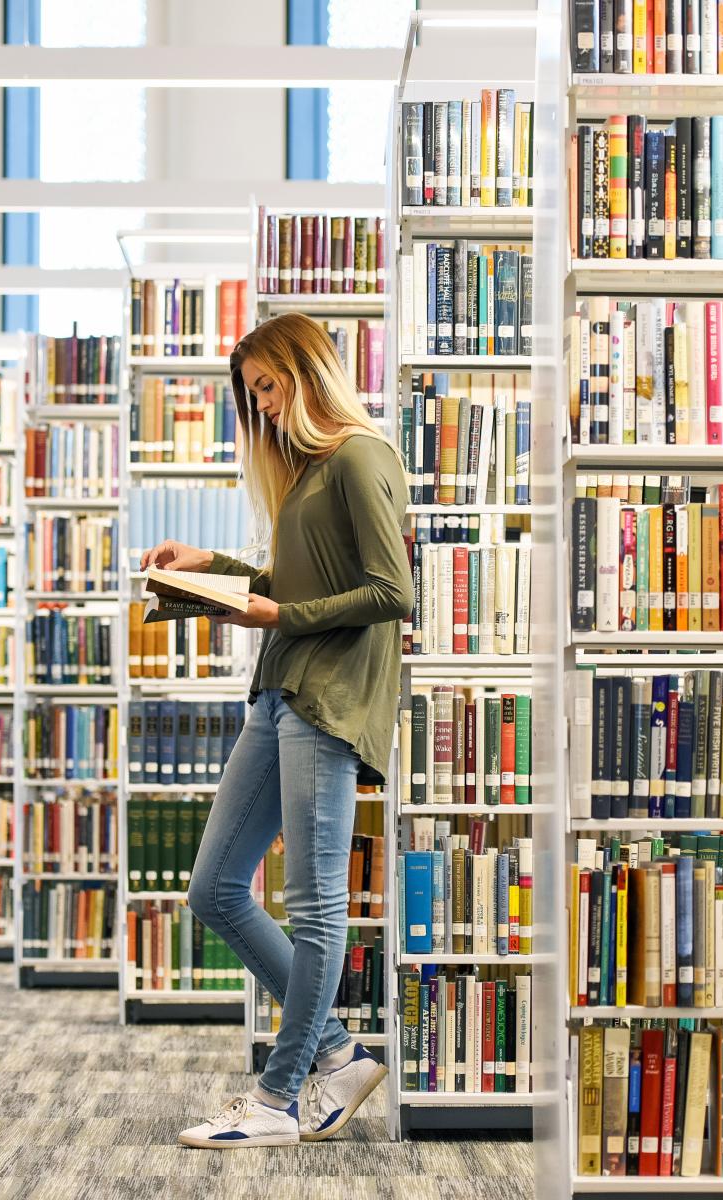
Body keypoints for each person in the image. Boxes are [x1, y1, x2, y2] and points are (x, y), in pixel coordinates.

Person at [142, 312, 410, 1148]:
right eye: (252, 393)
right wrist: (212, 570)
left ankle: (277, 1100)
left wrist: (278, 611)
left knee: (316, 902)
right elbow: (285, 583)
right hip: (281, 694)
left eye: (270, 383)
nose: (261, 404)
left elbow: (392, 592)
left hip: (329, 699)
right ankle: (337, 1056)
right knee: (215, 888)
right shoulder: (307, 475)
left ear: (309, 371)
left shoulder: (362, 456)